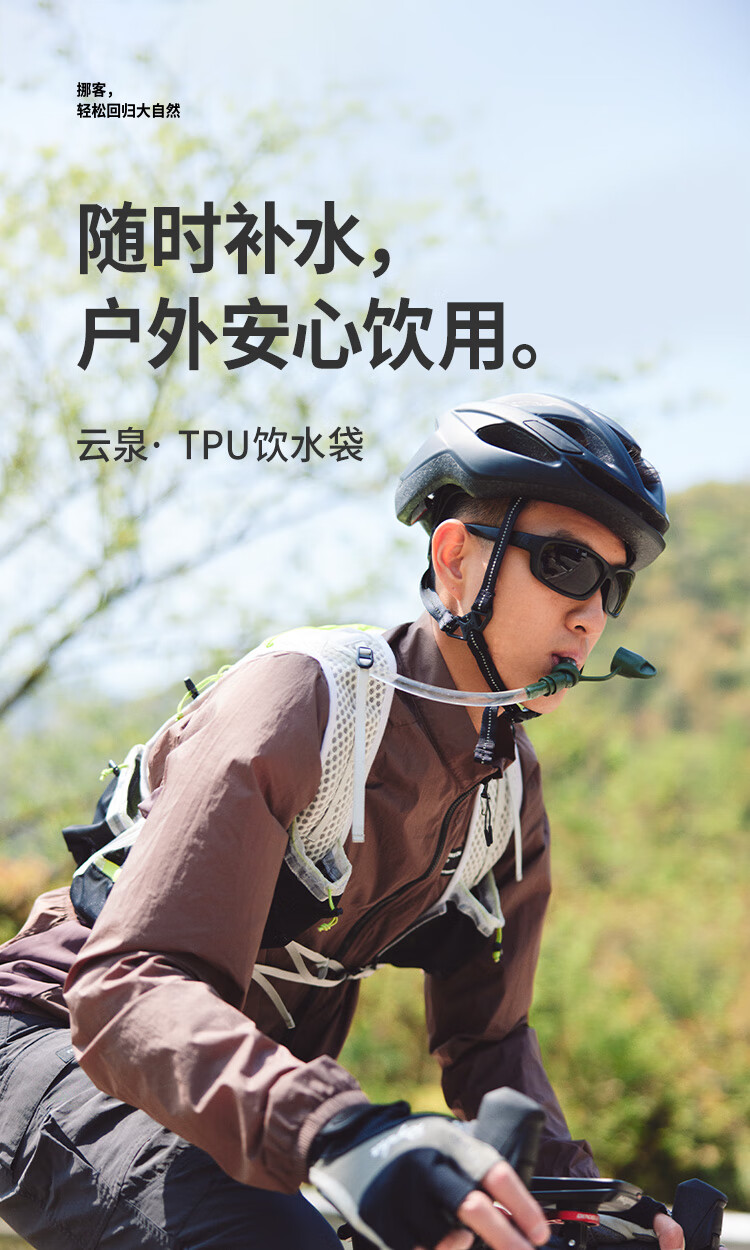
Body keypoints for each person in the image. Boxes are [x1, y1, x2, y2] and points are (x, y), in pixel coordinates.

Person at [0, 393, 684, 1250]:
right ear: (456, 559)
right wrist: (341, 1129)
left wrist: (578, 1196)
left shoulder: (507, 789)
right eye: (568, 566)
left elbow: (489, 1043)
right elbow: (126, 986)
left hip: (230, 1093)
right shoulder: (308, 698)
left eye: (613, 587)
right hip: (60, 1037)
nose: (591, 614)